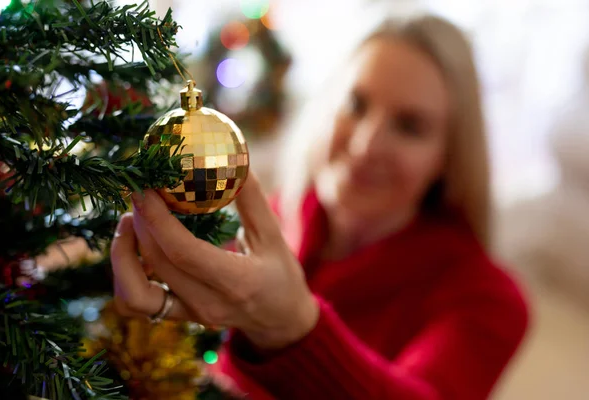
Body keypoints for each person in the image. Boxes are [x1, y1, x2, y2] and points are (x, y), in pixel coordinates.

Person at [110, 13, 529, 400]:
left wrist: (292, 328)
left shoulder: (487, 300)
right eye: (356, 104)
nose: (367, 145)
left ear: (448, 156)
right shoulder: (278, 219)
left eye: (409, 126)